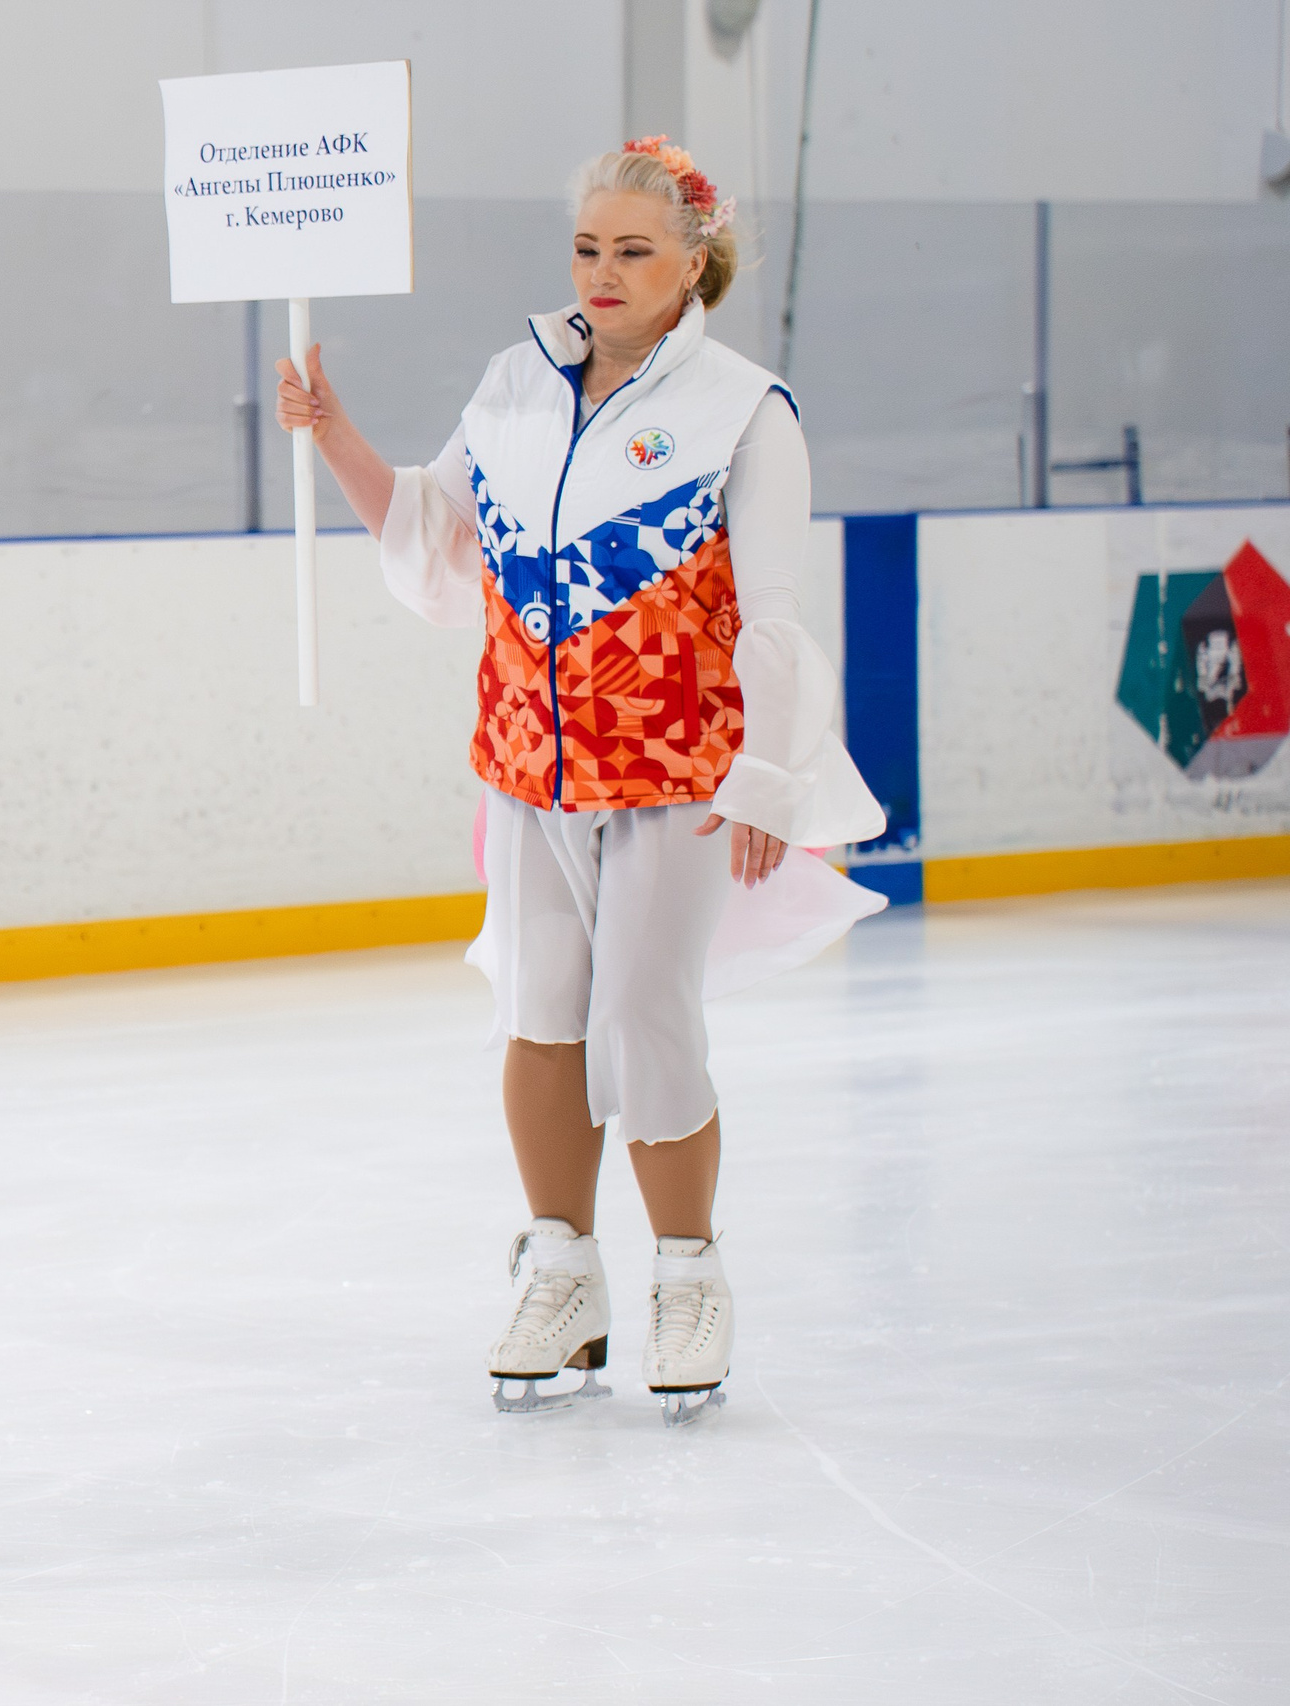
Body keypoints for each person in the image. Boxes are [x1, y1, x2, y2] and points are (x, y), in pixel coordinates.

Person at [276, 138, 886, 1425]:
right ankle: (562, 1266)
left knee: (647, 1017)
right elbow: (438, 545)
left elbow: (771, 608)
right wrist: (333, 434)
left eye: (633, 252)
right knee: (539, 1014)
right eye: (586, 248)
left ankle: (687, 1273)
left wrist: (770, 776)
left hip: (681, 770)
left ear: (692, 264)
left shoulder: (743, 407)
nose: (602, 274)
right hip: (527, 766)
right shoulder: (511, 385)